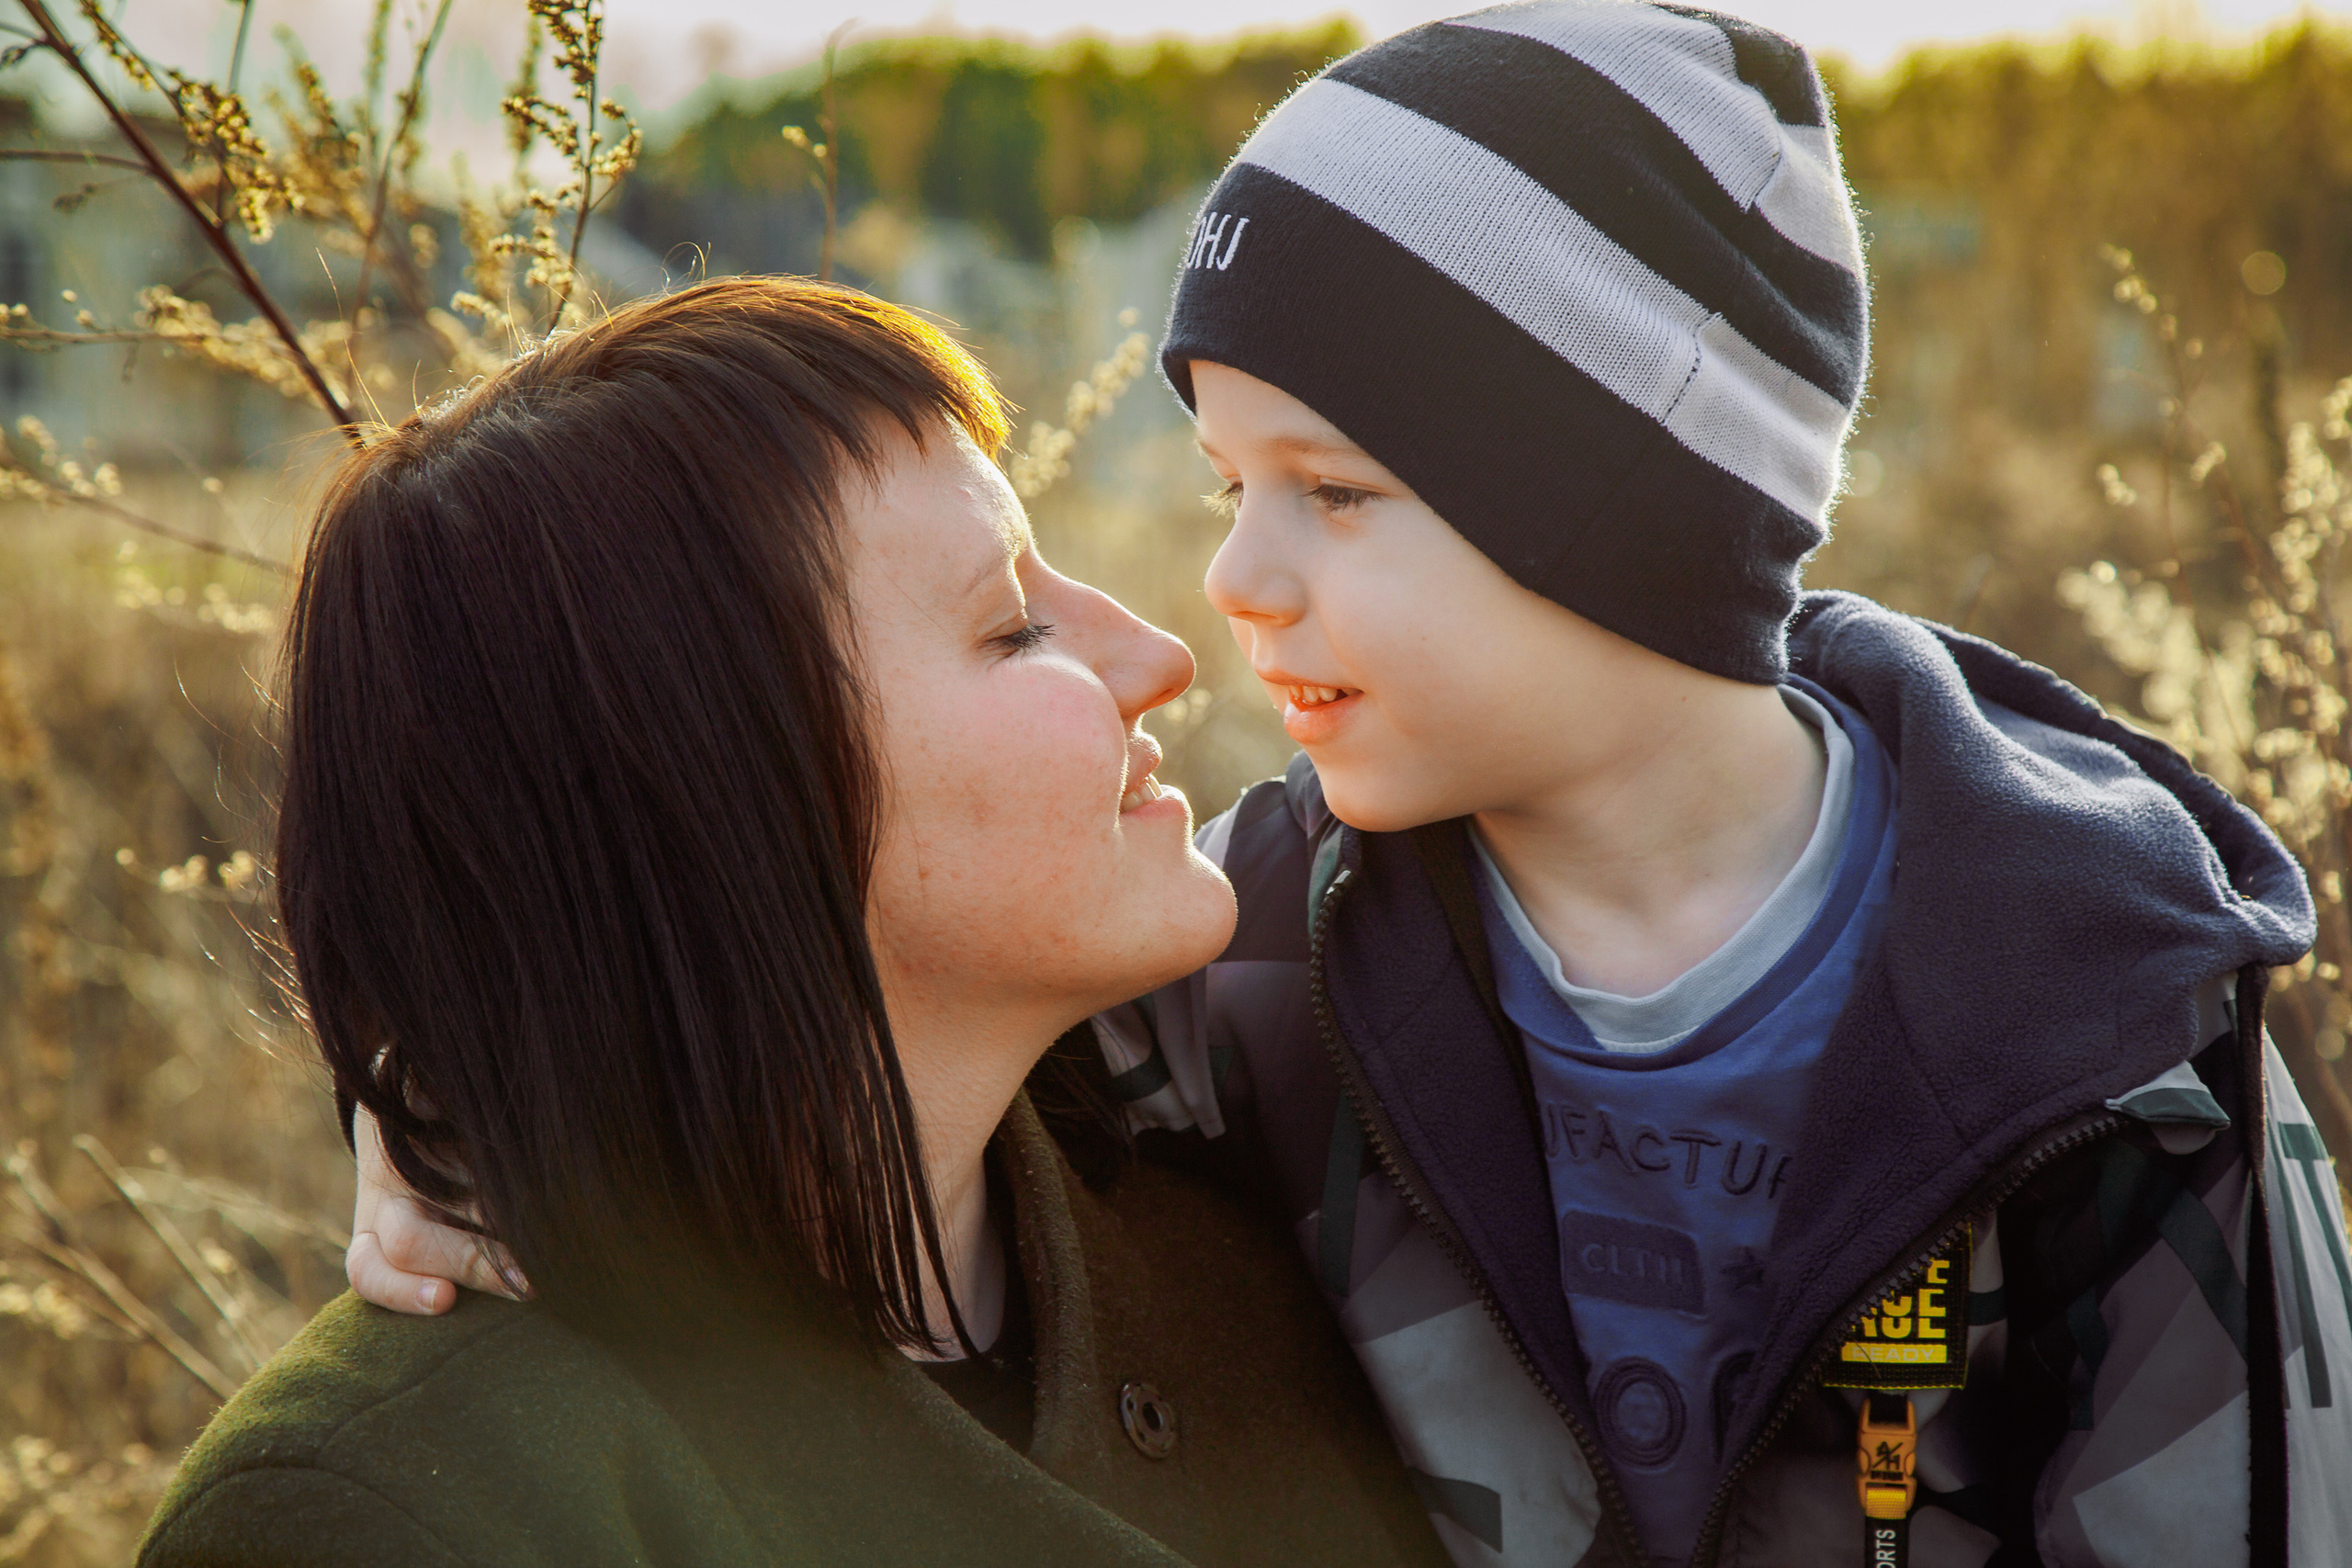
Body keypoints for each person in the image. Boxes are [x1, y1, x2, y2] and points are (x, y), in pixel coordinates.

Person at [361, 6, 2352, 1566]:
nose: (1229, 578)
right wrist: (444, 1107)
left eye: (1333, 491)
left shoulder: (2105, 1045)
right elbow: (792, 1029)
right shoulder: (1258, 969)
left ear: (1616, 514)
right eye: (1232, 485)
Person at [136, 278, 1452, 1568]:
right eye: (1011, 626)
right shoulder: (402, 1514)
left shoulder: (1265, 1225)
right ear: (712, 804)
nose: (1158, 655)